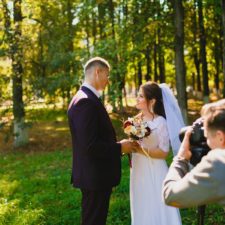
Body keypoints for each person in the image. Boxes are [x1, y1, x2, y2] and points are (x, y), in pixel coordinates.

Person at [68, 57, 137, 225]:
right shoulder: (85, 101)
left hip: (95, 175)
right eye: (107, 75)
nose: (108, 80)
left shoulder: (86, 98)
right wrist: (120, 147)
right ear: (97, 72)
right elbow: (90, 146)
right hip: (94, 177)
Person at [130, 81, 183, 225]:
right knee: (142, 203)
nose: (137, 98)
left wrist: (140, 150)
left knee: (157, 205)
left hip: (155, 170)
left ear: (151, 101)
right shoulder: (135, 121)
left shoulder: (160, 122)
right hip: (138, 170)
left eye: (141, 96)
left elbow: (163, 152)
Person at [163, 99, 225, 208]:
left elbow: (170, 195)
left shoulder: (219, 161)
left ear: (220, 137)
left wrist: (181, 158)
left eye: (207, 137)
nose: (207, 143)